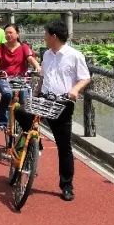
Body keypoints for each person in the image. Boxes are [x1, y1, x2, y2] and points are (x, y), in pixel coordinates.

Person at [39, 20, 91, 202]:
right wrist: (37, 93)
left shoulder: (75, 55)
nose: (44, 37)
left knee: (64, 146)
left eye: (46, 34)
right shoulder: (46, 54)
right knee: (23, 113)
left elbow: (85, 78)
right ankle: (33, 143)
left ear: (54, 36)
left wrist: (75, 90)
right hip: (45, 98)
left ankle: (67, 185)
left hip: (62, 103)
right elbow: (43, 77)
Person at [0, 23, 42, 131]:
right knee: (7, 93)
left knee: (26, 100)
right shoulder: (1, 47)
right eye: (6, 33)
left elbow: (31, 58)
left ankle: (28, 127)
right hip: (3, 78)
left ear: (17, 34)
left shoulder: (24, 47)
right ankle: (2, 121)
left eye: (10, 33)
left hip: (21, 79)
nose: (8, 35)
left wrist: (37, 67)